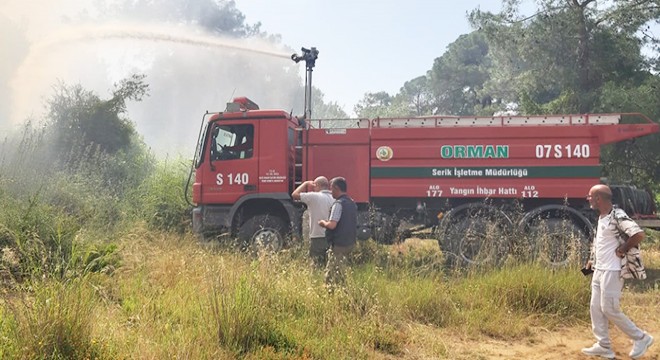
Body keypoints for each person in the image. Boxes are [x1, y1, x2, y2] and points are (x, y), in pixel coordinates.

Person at [581, 184, 654, 359]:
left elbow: (638, 234)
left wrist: (623, 248)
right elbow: (602, 242)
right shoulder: (602, 217)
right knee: (595, 308)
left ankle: (641, 338)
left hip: (613, 270)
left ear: (599, 198)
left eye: (590, 196)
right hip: (599, 269)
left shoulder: (617, 215)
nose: (588, 199)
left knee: (609, 308)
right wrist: (592, 260)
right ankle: (603, 345)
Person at [318, 177, 357, 290]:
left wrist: (323, 223)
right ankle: (343, 291)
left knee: (331, 273)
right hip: (349, 242)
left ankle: (330, 294)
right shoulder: (351, 202)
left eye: (331, 188)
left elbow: (332, 225)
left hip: (339, 243)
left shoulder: (338, 204)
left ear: (336, 188)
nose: (331, 191)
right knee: (342, 269)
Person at [291, 176, 334, 267]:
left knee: (317, 264)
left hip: (317, 236)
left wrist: (305, 183)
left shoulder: (313, 196)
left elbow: (294, 194)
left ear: (317, 185)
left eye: (314, 186)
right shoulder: (334, 198)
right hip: (332, 237)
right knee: (329, 264)